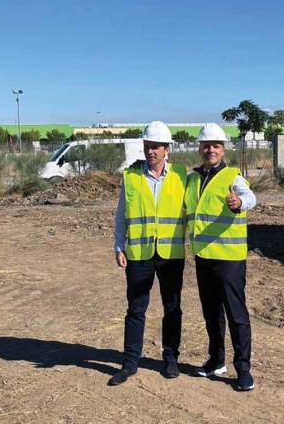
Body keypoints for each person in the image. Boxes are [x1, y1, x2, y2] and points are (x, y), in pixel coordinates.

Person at [108, 121, 188, 386]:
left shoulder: (181, 176)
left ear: (167, 150)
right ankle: (130, 363)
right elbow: (121, 216)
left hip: (171, 255)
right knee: (136, 309)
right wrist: (119, 245)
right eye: (147, 146)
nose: (150, 151)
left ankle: (170, 358)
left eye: (156, 147)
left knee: (172, 307)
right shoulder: (130, 177)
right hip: (139, 255)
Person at [185, 122, 258, 392]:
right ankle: (216, 361)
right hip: (203, 257)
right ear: (200, 148)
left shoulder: (233, 177)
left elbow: (250, 196)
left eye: (215, 145)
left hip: (229, 259)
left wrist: (240, 203)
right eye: (206, 146)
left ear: (222, 149)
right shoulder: (192, 179)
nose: (210, 150)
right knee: (211, 313)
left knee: (236, 315)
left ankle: (244, 370)